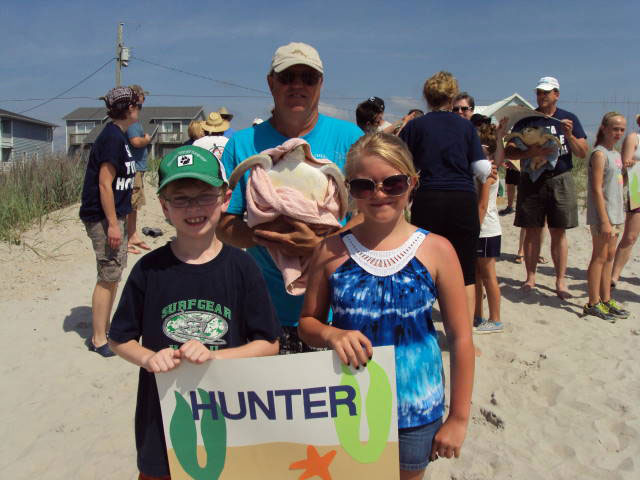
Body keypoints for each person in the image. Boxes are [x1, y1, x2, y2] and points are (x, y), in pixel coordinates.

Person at [298, 133, 474, 480]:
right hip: (347, 405)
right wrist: (332, 333)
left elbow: (461, 338)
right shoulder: (330, 251)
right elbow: (307, 324)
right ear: (350, 189)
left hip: (418, 409)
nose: (379, 194)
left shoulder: (437, 250)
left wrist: (458, 418)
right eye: (365, 186)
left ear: (413, 183)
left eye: (393, 183)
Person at [108, 145, 281, 479]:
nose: (193, 208)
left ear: (224, 198)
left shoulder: (243, 268)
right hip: (162, 420)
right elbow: (120, 338)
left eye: (204, 196)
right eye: (180, 199)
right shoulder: (148, 270)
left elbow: (269, 343)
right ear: (164, 207)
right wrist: (147, 358)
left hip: (230, 416)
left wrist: (217, 357)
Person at [217, 41, 362, 354]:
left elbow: (370, 216)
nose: (298, 85)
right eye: (287, 77)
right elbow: (223, 224)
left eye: (308, 78)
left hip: (337, 313)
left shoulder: (351, 140)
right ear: (271, 83)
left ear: (320, 84)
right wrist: (266, 237)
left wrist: (324, 245)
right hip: (264, 311)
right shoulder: (242, 144)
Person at [399, 71, 490, 333]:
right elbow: (481, 168)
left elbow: (402, 162)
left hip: (429, 199)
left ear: (426, 97)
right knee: (466, 273)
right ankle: (464, 338)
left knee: (423, 268)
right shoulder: (465, 127)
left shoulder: (415, 126)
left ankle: (421, 331)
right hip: (462, 199)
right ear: (452, 97)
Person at [505, 76, 588, 299]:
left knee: (558, 231)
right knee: (532, 230)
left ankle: (560, 281)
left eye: (547, 92)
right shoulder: (526, 119)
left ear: (556, 94)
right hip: (531, 179)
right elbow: (509, 150)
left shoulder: (568, 118)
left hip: (560, 177)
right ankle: (530, 277)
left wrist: (569, 135)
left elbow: (582, 152)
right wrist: (531, 153)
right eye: (539, 92)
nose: (542, 96)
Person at [79, 86, 139, 357]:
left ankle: (105, 328)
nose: (140, 108)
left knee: (113, 274)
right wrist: (113, 224)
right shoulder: (112, 137)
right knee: (107, 275)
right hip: (104, 218)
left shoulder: (120, 136)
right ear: (129, 108)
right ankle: (99, 338)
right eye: (137, 104)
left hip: (115, 217)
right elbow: (105, 184)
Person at [584, 113, 630, 321]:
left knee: (610, 257)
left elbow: (617, 184)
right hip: (604, 215)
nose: (619, 133)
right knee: (599, 256)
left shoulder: (616, 155)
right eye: (615, 129)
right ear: (604, 128)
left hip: (617, 214)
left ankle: (606, 298)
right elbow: (596, 188)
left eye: (622, 129)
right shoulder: (599, 154)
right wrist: (603, 220)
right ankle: (593, 302)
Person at [474, 119, 507, 334]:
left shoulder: (487, 170)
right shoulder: (484, 167)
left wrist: (473, 230)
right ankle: (477, 314)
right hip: (483, 229)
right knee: (476, 275)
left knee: (488, 275)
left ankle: (495, 319)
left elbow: (483, 205)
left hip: (485, 230)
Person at [611, 113, 640, 287]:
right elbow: (625, 163)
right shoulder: (634, 137)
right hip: (637, 187)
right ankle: (614, 275)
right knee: (630, 235)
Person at [126, 84, 152, 254]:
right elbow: (136, 142)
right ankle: (126, 238)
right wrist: (147, 139)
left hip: (137, 168)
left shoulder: (132, 121)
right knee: (129, 204)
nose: (140, 108)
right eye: (139, 105)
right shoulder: (131, 122)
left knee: (134, 205)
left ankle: (132, 234)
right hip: (133, 168)